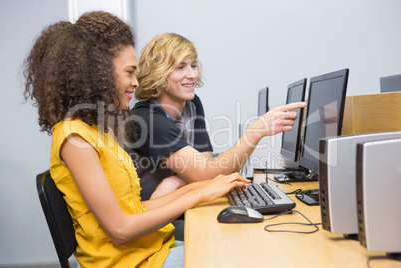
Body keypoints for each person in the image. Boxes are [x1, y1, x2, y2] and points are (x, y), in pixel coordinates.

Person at [23, 11, 250, 268]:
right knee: (239, 256)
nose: (136, 82)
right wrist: (198, 194)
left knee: (236, 244)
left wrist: (201, 188)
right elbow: (121, 228)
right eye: (130, 73)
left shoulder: (99, 130)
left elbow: (136, 208)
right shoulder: (74, 137)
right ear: (98, 74)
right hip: (130, 262)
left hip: (153, 249)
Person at [130, 33, 306, 200]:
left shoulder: (191, 103)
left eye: (193, 65)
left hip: (179, 204)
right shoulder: (148, 119)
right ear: (158, 73)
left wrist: (178, 181)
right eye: (180, 67)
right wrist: (254, 133)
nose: (192, 74)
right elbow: (205, 174)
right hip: (152, 220)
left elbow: (207, 170)